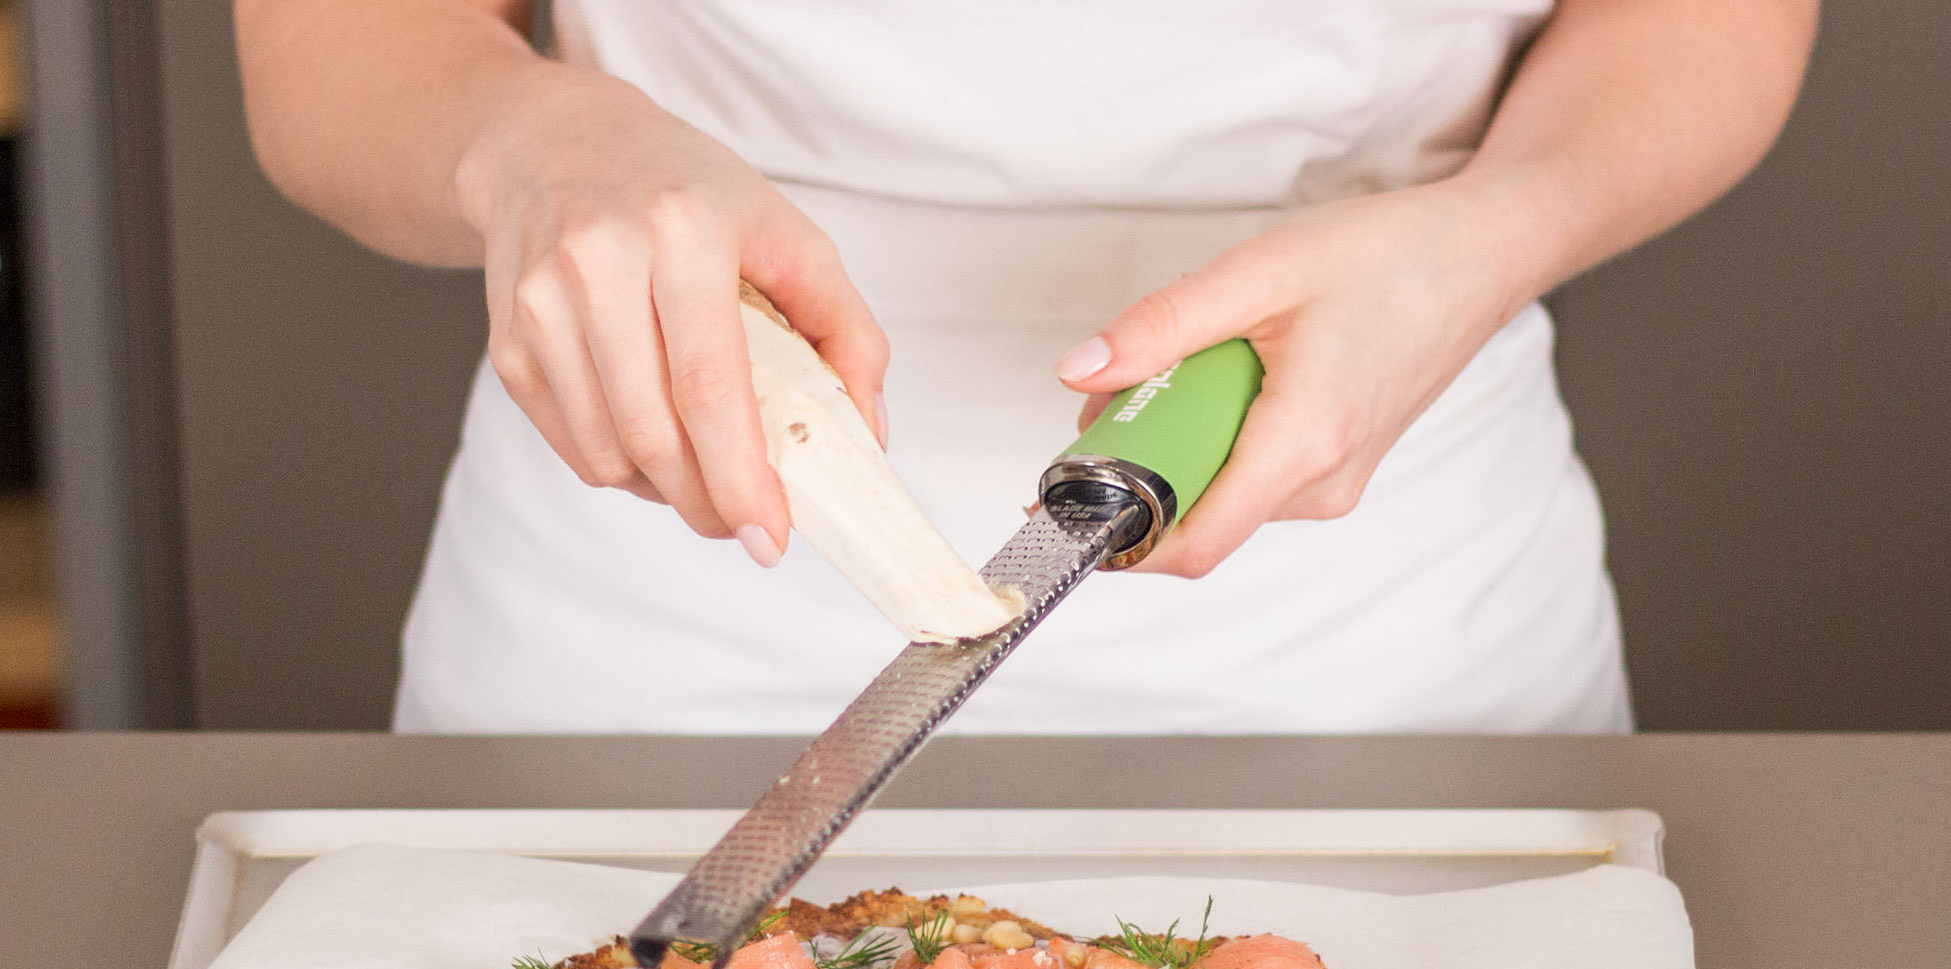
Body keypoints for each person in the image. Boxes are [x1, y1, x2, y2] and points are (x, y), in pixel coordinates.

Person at [235, 0, 1818, 734]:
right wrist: (535, 143)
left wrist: (1489, 232)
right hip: (649, 628)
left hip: (1382, 642)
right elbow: (338, 46)